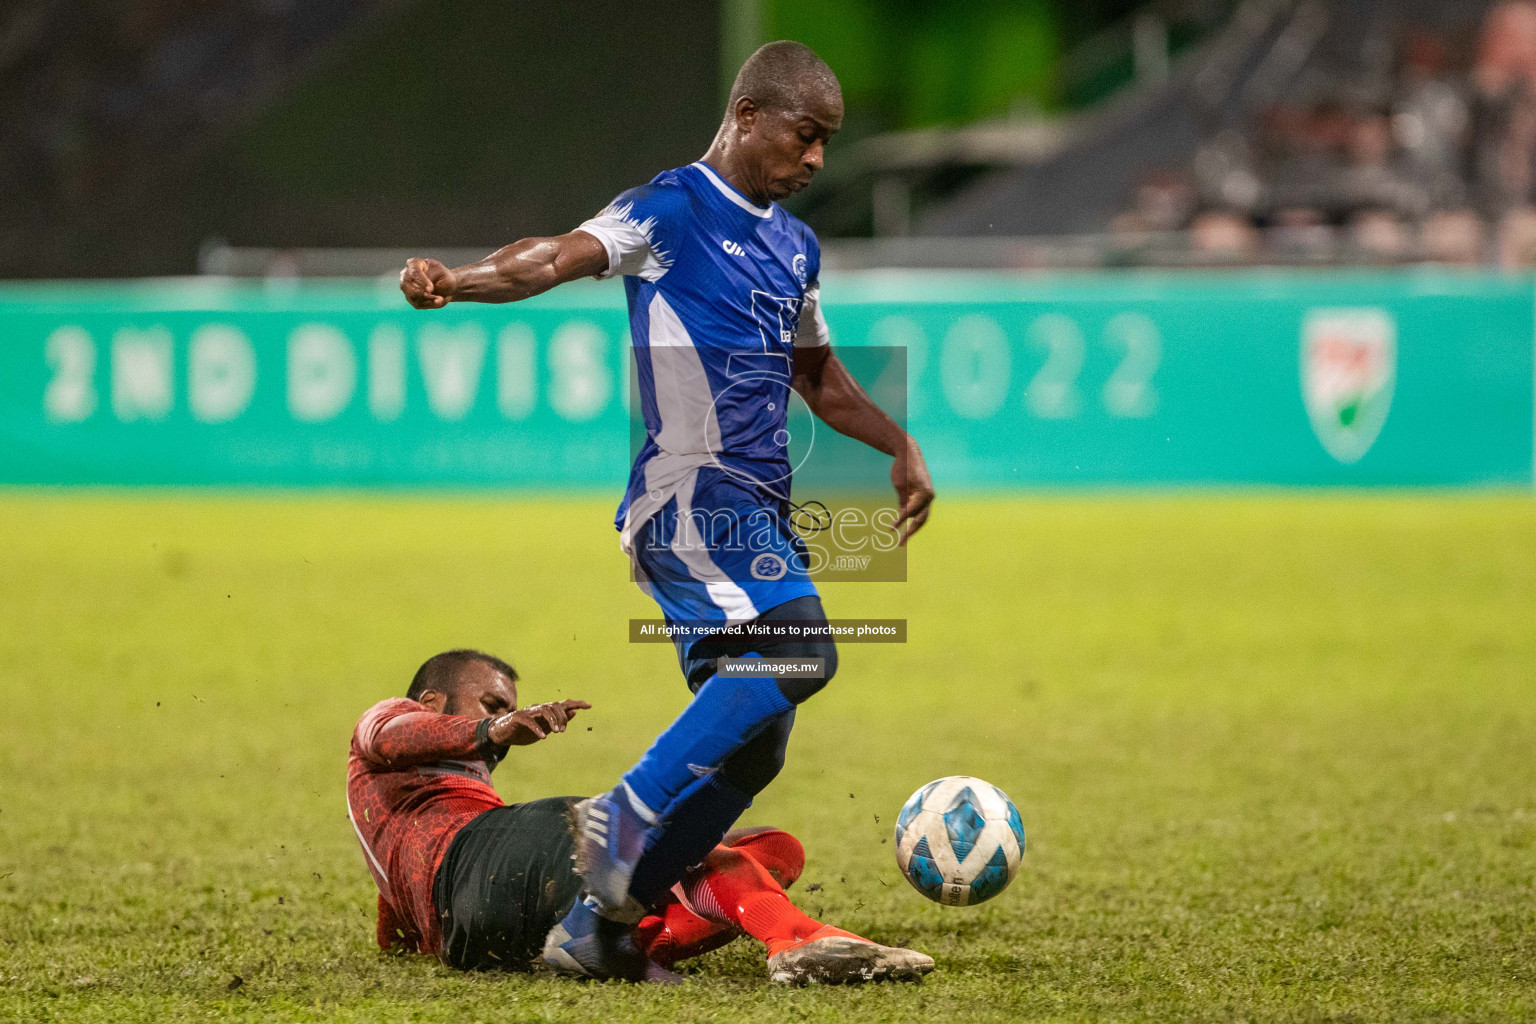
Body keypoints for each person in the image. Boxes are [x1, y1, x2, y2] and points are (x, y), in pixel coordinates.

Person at [398, 39, 935, 979]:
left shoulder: (795, 246)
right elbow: (554, 258)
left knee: (758, 747)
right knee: (804, 648)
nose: (816, 160)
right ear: (749, 118)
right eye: (806, 137)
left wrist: (899, 445)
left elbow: (819, 378)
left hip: (758, 510)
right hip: (687, 495)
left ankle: (598, 925)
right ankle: (618, 828)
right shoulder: (670, 208)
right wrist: (464, 281)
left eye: (827, 144)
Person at [346, 648, 935, 984]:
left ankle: (628, 942)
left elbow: (398, 895)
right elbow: (391, 733)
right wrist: (489, 728)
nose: (504, 716)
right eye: (492, 700)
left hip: (476, 936)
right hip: (479, 864)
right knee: (637, 836)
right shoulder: (390, 727)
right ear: (431, 703)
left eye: (505, 708)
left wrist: (400, 945)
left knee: (774, 851)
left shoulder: (407, 809)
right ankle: (793, 940)